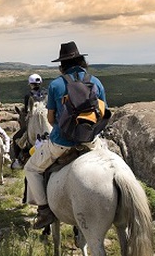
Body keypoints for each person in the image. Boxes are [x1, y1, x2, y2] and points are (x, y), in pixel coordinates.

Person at [24, 41, 107, 229]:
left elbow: (51, 119)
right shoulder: (96, 82)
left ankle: (44, 211)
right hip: (91, 141)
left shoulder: (55, 85)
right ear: (81, 61)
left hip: (62, 142)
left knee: (31, 169)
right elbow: (104, 112)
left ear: (62, 65)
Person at [11, 74, 47, 169]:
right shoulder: (46, 93)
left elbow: (27, 112)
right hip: (47, 119)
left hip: (34, 121)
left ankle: (18, 160)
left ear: (30, 84)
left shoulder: (28, 95)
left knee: (15, 138)